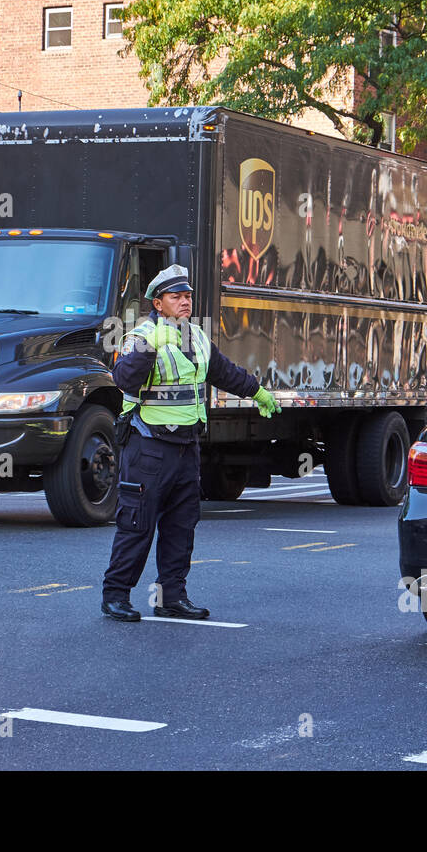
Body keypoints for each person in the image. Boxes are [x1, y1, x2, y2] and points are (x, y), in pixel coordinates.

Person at [100, 265, 280, 622]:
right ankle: (115, 596)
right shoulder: (139, 336)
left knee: (181, 527)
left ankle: (171, 597)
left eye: (188, 296)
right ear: (158, 302)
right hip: (149, 446)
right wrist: (149, 348)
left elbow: (223, 371)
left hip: (187, 448)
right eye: (176, 297)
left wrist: (256, 391)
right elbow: (123, 379)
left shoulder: (196, 335)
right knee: (137, 524)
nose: (184, 302)